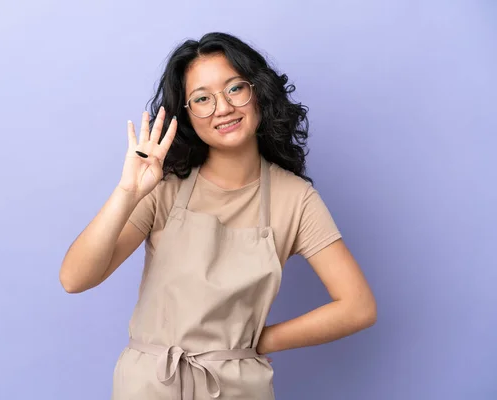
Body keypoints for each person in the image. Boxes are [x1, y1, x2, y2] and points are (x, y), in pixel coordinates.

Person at [59, 32, 377, 400]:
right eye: (202, 99)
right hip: (148, 386)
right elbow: (74, 278)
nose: (222, 108)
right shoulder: (163, 187)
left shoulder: (297, 199)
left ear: (258, 92)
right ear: (187, 115)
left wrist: (261, 340)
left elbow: (358, 307)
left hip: (239, 388)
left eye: (234, 89)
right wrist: (127, 192)